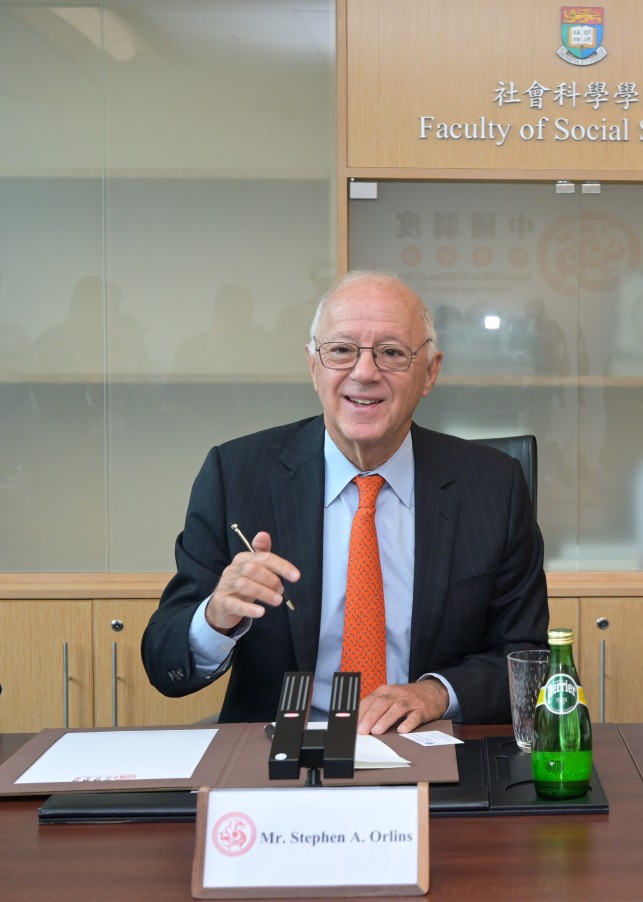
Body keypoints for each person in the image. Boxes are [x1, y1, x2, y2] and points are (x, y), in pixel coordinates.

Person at [142, 271, 548, 733]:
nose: (365, 372)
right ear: (313, 365)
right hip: (278, 752)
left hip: (427, 744)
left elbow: (527, 657)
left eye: (392, 353)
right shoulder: (235, 474)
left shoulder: (493, 485)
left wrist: (436, 693)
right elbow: (164, 662)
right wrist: (216, 617)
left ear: (430, 372)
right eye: (341, 350)